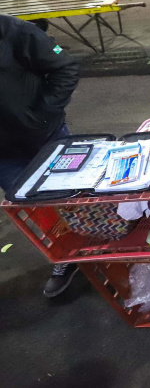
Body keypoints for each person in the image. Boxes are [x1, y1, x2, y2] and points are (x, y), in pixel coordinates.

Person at [0, 15, 80, 298]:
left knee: (74, 197)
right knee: (38, 209)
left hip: (46, 138)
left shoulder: (19, 33)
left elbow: (65, 68)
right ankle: (69, 256)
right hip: (5, 156)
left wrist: (43, 116)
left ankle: (100, 250)